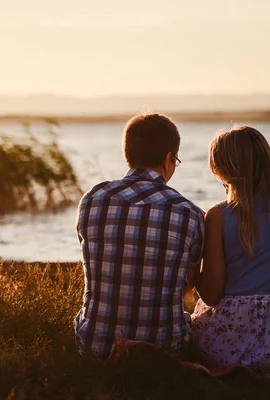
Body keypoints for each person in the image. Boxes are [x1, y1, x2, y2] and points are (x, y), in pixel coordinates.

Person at [74, 113, 205, 360]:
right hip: (165, 351)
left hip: (95, 347)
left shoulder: (92, 199)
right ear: (169, 159)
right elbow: (187, 283)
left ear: (128, 155)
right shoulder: (189, 213)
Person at [191, 126, 270, 374]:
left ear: (222, 171)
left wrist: (193, 269)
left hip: (230, 340)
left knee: (189, 325)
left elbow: (211, 296)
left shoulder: (219, 215)